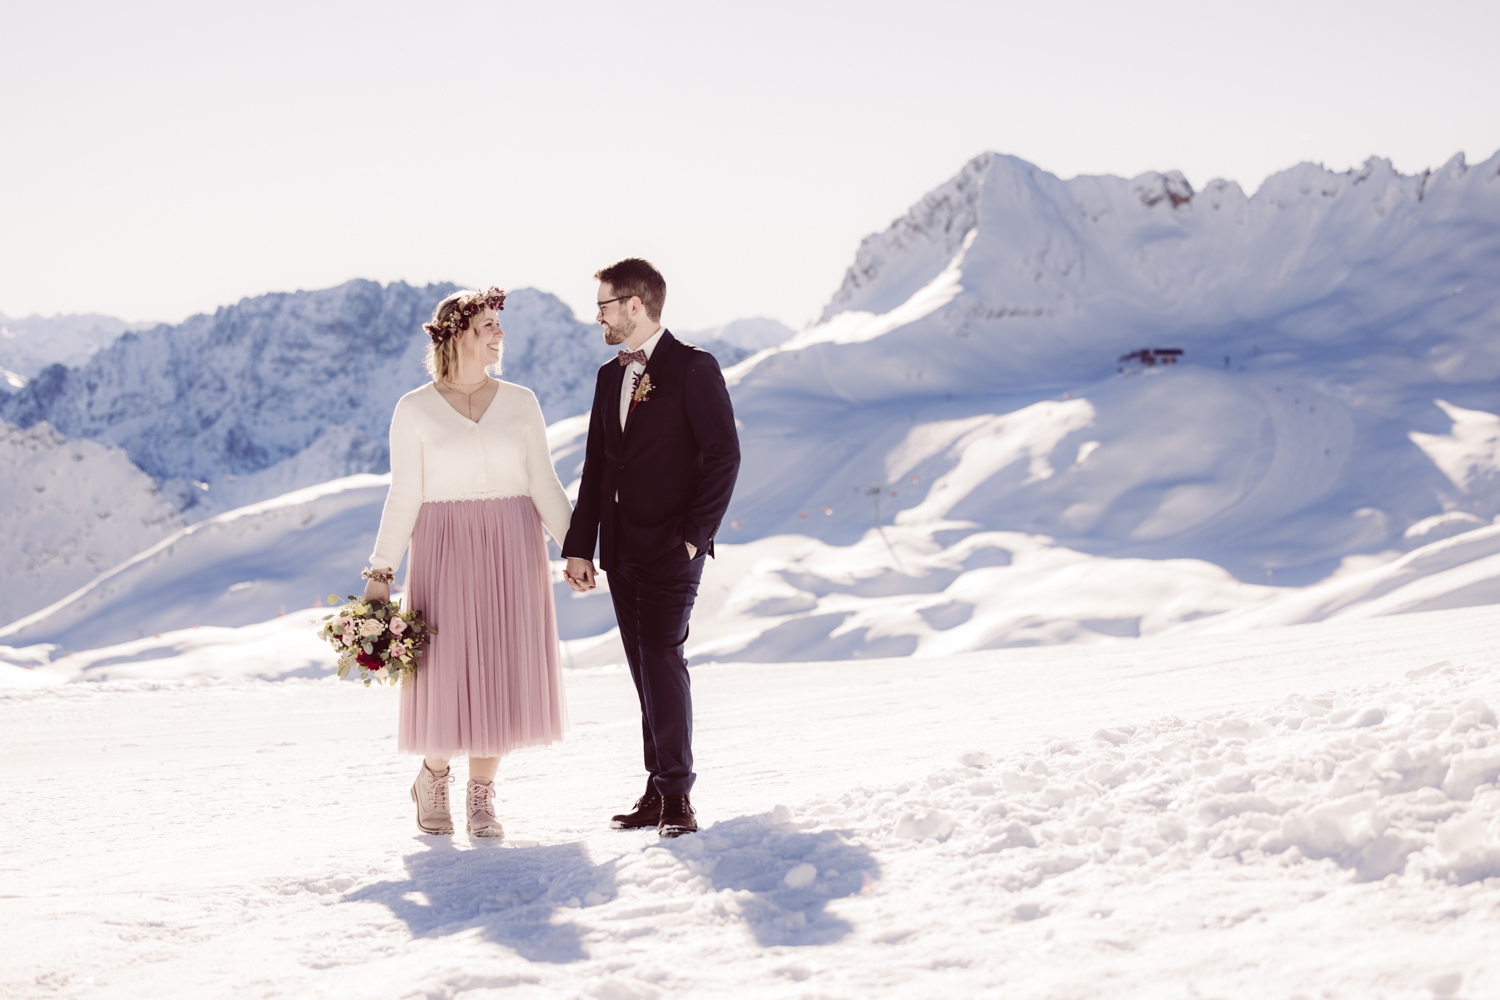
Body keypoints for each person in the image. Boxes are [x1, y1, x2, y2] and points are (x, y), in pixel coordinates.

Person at [365, 287, 573, 838]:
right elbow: (403, 494)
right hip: (445, 548)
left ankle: (481, 796)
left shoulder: (522, 401)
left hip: (513, 544)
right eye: (488, 325)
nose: (499, 334)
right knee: (447, 670)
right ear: (456, 334)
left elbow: (543, 484)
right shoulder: (414, 409)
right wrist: (381, 573)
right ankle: (433, 777)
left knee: (501, 667)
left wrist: (574, 546)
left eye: (499, 325)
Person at [562, 258, 740, 838]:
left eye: (605, 306)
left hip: (672, 550)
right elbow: (597, 469)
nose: (599, 318)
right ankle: (655, 787)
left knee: (663, 659)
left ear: (635, 305)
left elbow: (723, 457)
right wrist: (580, 546)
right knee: (644, 669)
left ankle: (678, 798)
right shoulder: (607, 376)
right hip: (619, 550)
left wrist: (693, 537)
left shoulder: (694, 368)